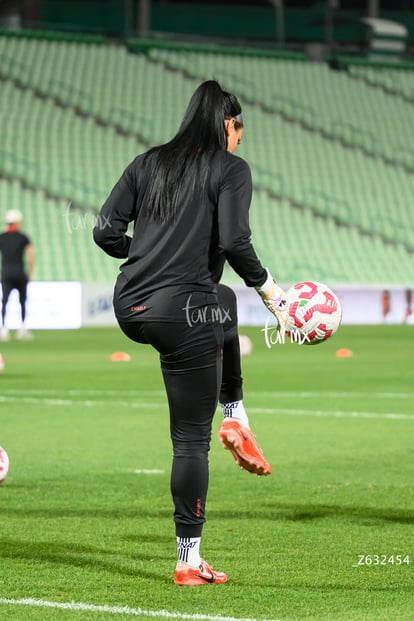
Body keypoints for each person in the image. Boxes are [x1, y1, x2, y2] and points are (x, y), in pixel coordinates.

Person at [93, 80, 287, 586]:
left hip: (131, 306)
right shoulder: (230, 169)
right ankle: (188, 559)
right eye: (240, 128)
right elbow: (235, 239)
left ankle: (235, 414)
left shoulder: (147, 163)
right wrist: (272, 293)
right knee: (189, 444)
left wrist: (143, 255)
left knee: (222, 302)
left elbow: (104, 231)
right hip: (184, 312)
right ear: (228, 124)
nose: (241, 138)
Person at [0, 209, 35, 341]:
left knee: (4, 302)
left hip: (6, 274)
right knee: (22, 301)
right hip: (20, 273)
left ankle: (4, 329)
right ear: (17, 222)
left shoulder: (1, 237)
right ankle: (23, 329)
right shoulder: (22, 237)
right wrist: (30, 272)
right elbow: (31, 254)